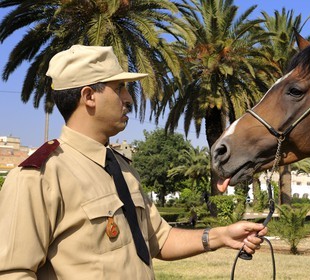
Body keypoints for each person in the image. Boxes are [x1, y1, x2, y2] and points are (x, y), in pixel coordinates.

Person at [0, 45, 267, 279]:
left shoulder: (123, 168)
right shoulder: (39, 177)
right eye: (120, 88)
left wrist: (221, 236)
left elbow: (158, 239)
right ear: (88, 97)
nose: (129, 99)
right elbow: (13, 272)